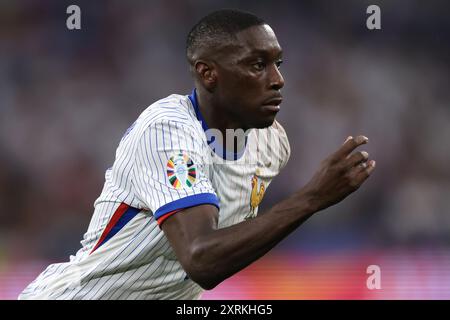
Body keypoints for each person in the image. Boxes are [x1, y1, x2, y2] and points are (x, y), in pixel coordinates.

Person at [19, 9, 375, 300]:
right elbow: (202, 258)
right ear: (208, 74)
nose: (278, 78)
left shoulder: (272, 144)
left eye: (278, 63)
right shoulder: (167, 131)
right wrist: (311, 198)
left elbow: (229, 247)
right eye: (257, 65)